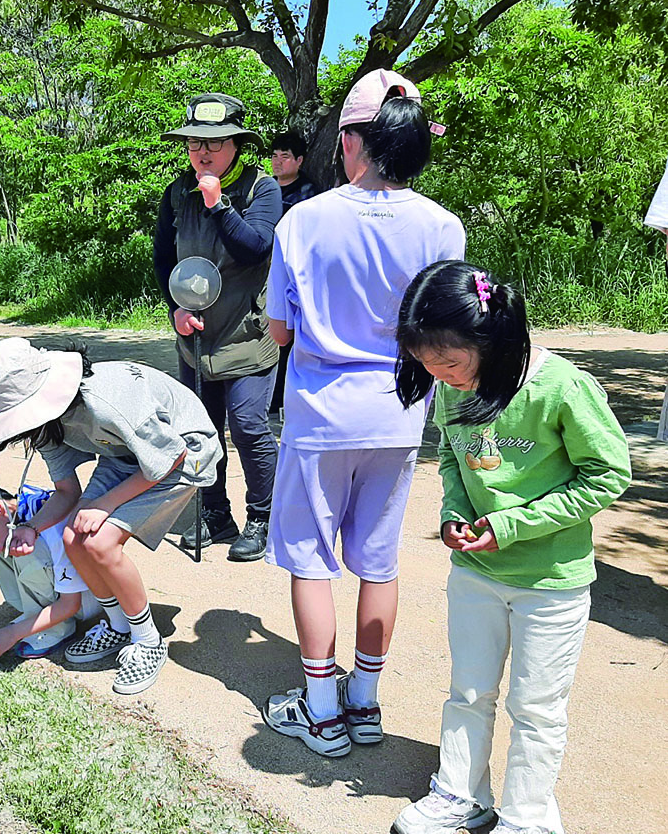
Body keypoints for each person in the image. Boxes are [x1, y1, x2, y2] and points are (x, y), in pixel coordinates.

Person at [391, 260, 630, 834]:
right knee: (467, 691)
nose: (438, 376)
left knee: (536, 704)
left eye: (447, 363)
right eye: (426, 365)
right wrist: (453, 512)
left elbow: (608, 474)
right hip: (476, 573)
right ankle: (459, 791)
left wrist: (510, 525)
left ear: (490, 339)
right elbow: (452, 458)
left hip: (551, 583)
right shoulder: (452, 386)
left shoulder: (561, 388)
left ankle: (529, 820)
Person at [262, 68, 466, 757]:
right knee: (377, 561)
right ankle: (365, 703)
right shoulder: (442, 225)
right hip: (400, 413)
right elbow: (442, 329)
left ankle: (320, 710)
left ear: (350, 140)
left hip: (321, 414)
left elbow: (280, 332)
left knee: (312, 560)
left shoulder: (303, 220)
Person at [0, 337, 220, 694]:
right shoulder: (47, 425)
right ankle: (117, 624)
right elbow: (67, 492)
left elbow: (169, 457)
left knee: (99, 541)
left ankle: (148, 640)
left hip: (183, 452)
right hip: (125, 457)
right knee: (72, 537)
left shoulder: (105, 403)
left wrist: (105, 505)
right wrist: (32, 528)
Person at [154, 92, 284, 562]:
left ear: (236, 145)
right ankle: (214, 512)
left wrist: (218, 204)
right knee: (201, 431)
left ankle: (263, 516)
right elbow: (163, 261)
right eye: (193, 144)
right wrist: (175, 308)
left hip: (247, 335)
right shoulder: (175, 194)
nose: (201, 152)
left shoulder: (261, 189)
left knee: (248, 424)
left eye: (214, 142)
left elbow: (255, 246)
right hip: (195, 338)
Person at [0, 474, 99, 659]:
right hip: (68, 586)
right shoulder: (20, 504)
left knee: (21, 546)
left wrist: (12, 633)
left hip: (87, 598)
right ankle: (33, 617)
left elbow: (70, 605)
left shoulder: (47, 527)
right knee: (1, 543)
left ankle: (56, 629)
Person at [267, 130, 322, 416]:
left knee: (287, 336)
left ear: (299, 160)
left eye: (285, 156)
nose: (278, 162)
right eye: (274, 156)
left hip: (293, 275)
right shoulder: (264, 190)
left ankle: (281, 397)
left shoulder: (309, 195)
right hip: (262, 271)